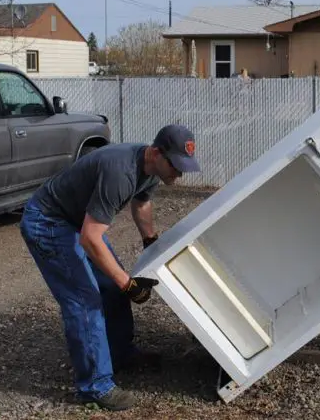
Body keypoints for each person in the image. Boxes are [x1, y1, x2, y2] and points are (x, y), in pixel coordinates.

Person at [19, 124, 201, 411]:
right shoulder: (121, 172)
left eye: (183, 167)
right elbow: (91, 239)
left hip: (75, 222)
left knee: (111, 290)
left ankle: (121, 355)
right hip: (48, 223)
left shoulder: (150, 169)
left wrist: (150, 242)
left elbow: (142, 204)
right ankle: (94, 386)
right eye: (175, 166)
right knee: (85, 299)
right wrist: (127, 283)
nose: (178, 174)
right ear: (156, 152)